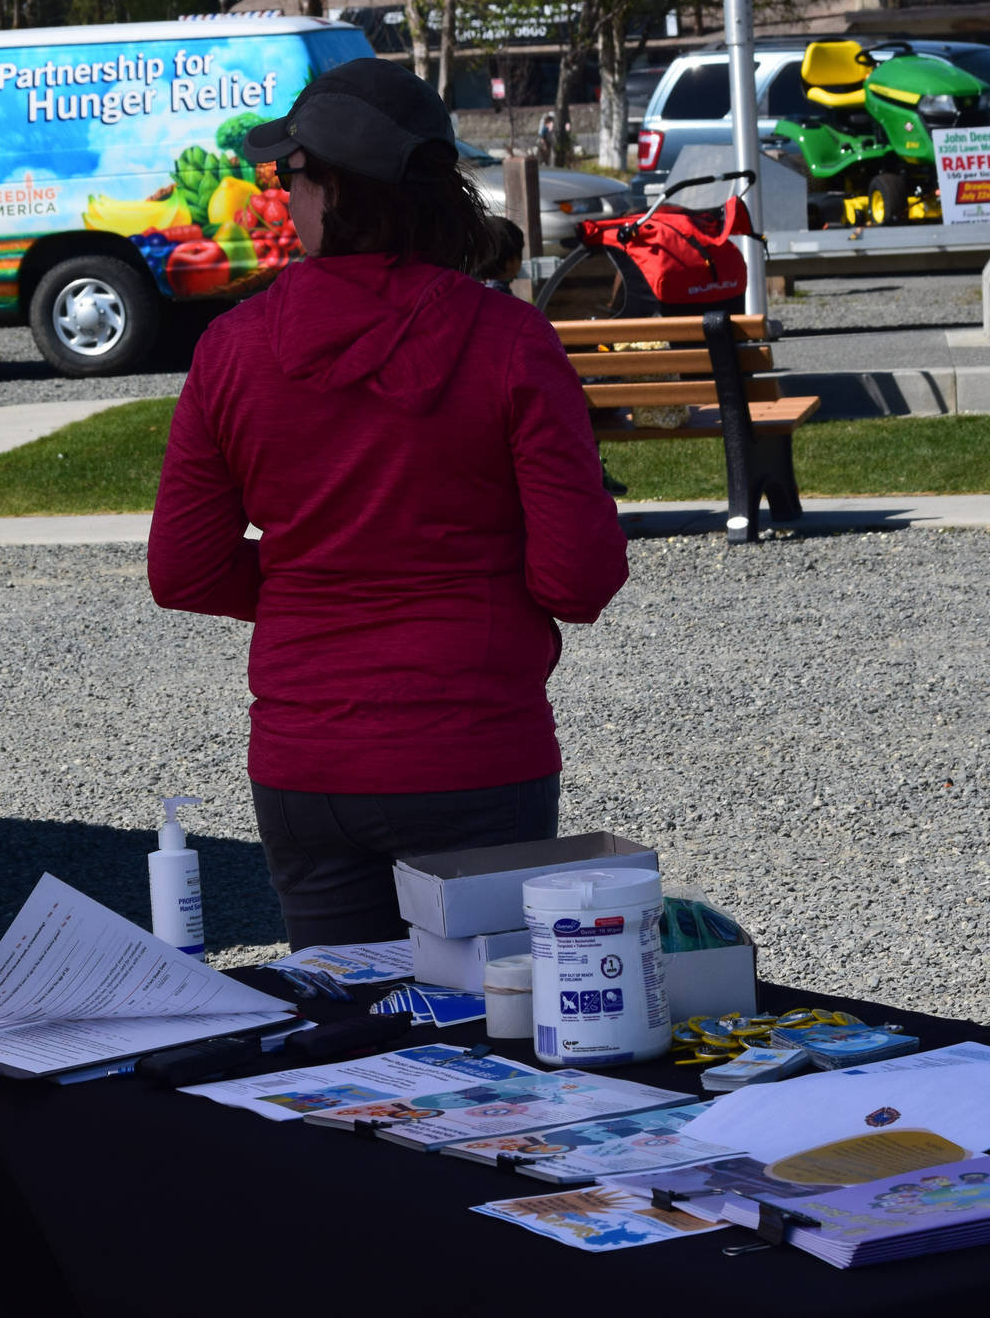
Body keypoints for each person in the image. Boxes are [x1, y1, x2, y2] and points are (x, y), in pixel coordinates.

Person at [147, 58, 630, 949]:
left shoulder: (232, 349)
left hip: (308, 764)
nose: (284, 198)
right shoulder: (510, 341)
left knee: (343, 1047)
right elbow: (580, 577)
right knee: (497, 1041)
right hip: (476, 751)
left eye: (290, 176)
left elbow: (185, 569)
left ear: (331, 186)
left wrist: (318, 577)